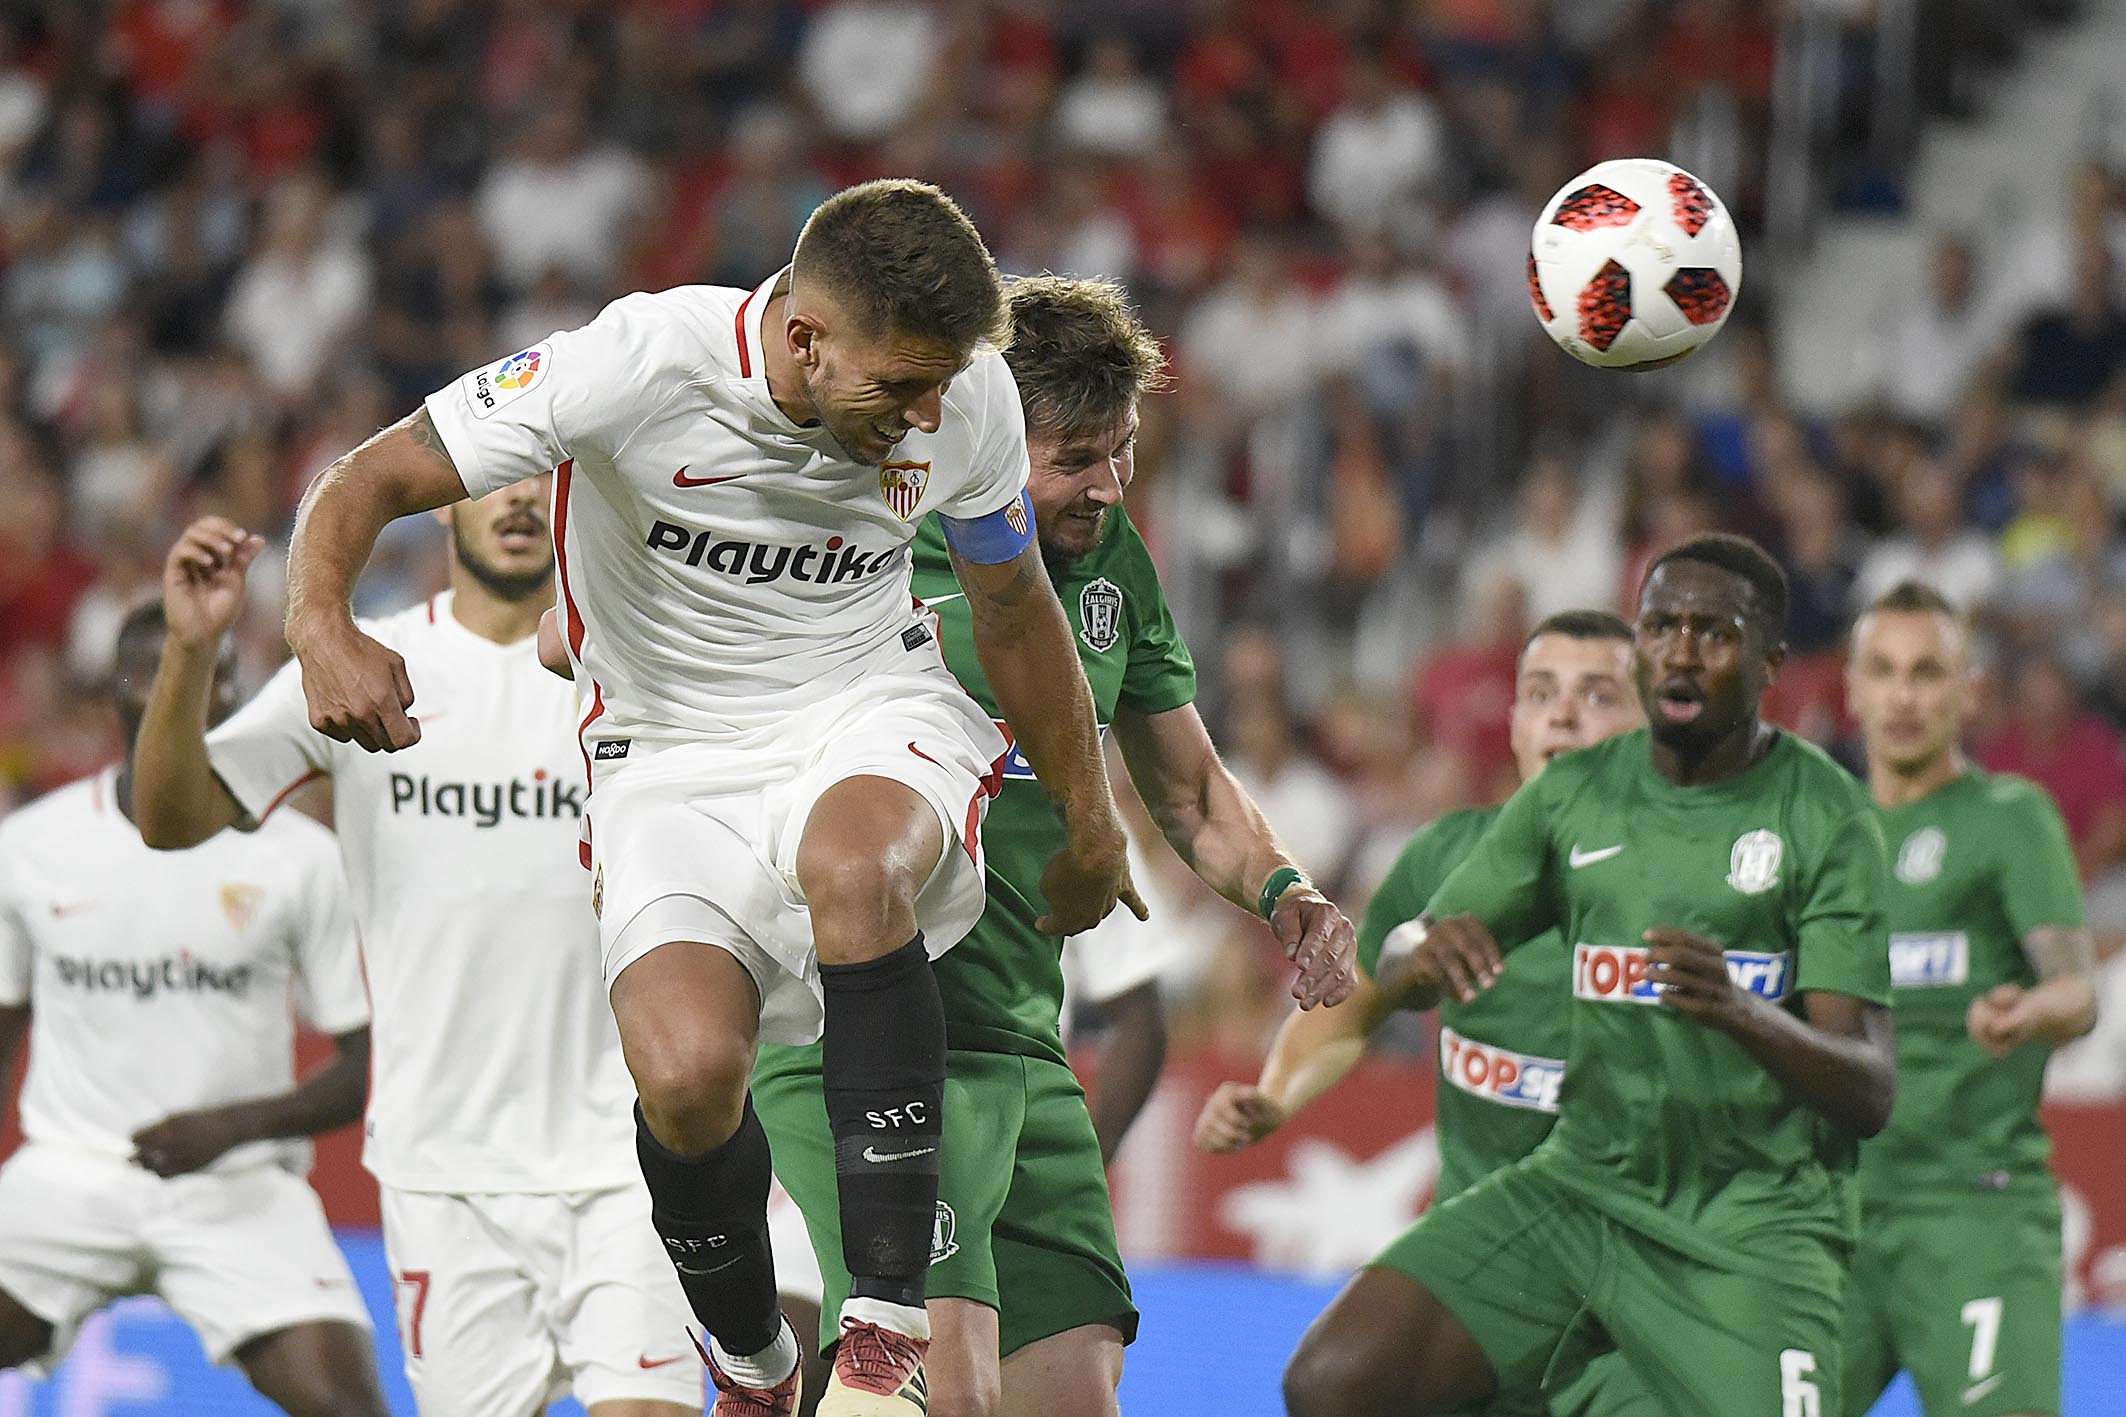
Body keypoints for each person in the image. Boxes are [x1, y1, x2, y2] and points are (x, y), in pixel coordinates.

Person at [266, 179, 1216, 1416]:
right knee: (684, 1072)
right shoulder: (631, 364)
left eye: (942, 383)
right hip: (663, 753)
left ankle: (881, 1320)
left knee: (855, 865)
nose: (928, 414)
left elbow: (1013, 607)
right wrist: (318, 621)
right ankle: (753, 1360)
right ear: (805, 338)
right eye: (900, 386)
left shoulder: (965, 393)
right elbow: (370, 475)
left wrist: (1092, 824)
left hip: (870, 701)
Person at [748, 274, 1358, 1417]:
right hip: (869, 1039)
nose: (1107, 486)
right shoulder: (856, 536)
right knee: (947, 1397)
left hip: (1025, 1049)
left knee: (1070, 1400)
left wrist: (1287, 894)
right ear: (973, 436)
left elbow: (1187, 788)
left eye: (1121, 452)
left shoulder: (1109, 564)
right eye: (1074, 456)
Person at [132, 488, 715, 1417]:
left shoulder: (641, 664)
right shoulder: (363, 661)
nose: (520, 497)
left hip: (628, 1158)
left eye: (543, 475)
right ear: (444, 504)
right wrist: (192, 649)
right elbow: (168, 820)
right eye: (495, 477)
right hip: (442, 1171)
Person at [1284, 533, 1897, 1417]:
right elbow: (1406, 944)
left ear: (1770, 663)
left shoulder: (1827, 818)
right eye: (1661, 627)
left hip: (1750, 1226)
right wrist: (1422, 952)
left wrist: (1741, 1011)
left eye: (1713, 633)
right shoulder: (1575, 794)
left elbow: (1870, 1088)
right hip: (1583, 1188)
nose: (1681, 651)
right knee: (1334, 1381)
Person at [1196, 608, 1648, 1417]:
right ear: (1512, 723)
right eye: (1542, 692)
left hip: (1637, 1281)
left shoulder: (1696, 882)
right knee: (1331, 1385)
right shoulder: (1444, 859)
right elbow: (1350, 1008)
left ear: (1653, 722)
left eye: (1599, 694)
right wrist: (1278, 1095)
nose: (1565, 714)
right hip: (1480, 1275)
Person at [0, 602, 387, 1417]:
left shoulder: (301, 861)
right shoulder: (32, 847)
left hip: (239, 1186)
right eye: (158, 669)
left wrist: (228, 1127)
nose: (181, 690)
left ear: (237, 693)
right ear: (114, 689)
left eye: (210, 672)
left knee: (353, 1409)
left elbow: (365, 1070)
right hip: (67, 1178)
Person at [1841, 581, 2096, 1417]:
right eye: (1884, 671)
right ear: (1852, 688)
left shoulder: (2010, 817)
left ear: (1969, 691)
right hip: (1833, 1215)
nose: (1904, 695)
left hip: (1974, 1213)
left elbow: (2076, 990)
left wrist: (2029, 1012)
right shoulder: (1821, 834)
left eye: (1927, 672)